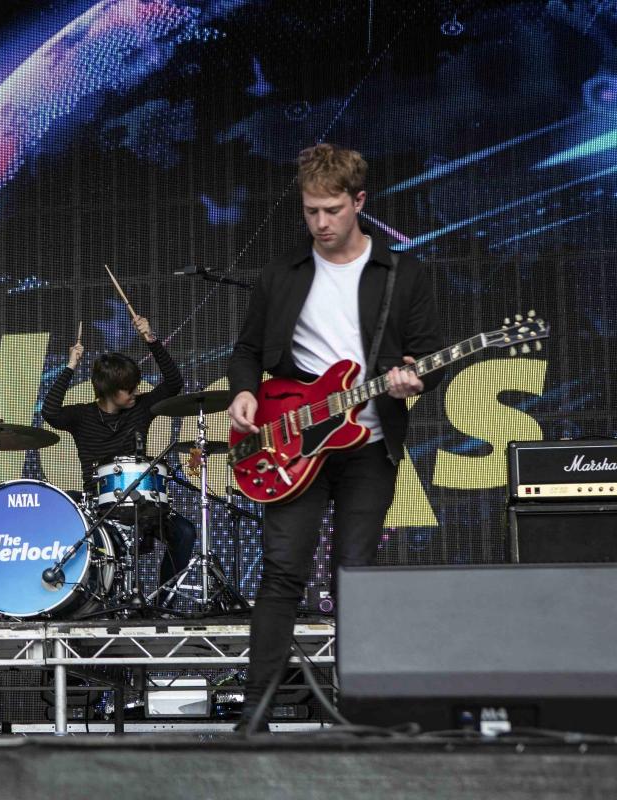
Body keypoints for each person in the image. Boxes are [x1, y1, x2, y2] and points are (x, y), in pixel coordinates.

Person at [226, 143, 444, 731]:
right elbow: (246, 351)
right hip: (292, 438)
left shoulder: (403, 272)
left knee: (356, 573)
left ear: (359, 202)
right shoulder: (282, 274)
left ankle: (360, 710)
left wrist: (409, 379)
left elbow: (427, 359)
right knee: (282, 572)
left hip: (368, 444)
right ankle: (256, 714)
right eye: (310, 211)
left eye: (332, 210)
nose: (320, 223)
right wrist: (244, 392)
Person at [42, 312, 196, 596]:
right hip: (100, 505)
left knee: (184, 532)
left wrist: (150, 339)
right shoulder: (81, 416)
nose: (136, 392)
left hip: (142, 500)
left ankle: (164, 603)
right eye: (129, 389)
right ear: (110, 390)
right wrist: (70, 366)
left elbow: (174, 383)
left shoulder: (141, 407)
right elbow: (49, 412)